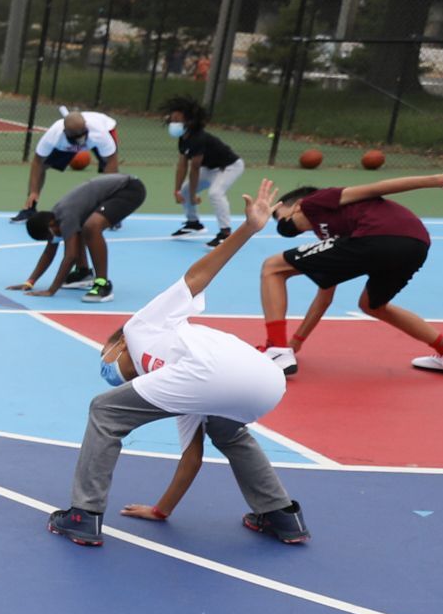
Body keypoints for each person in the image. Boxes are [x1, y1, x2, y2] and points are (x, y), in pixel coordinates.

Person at [48, 181, 307, 548]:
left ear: (118, 343)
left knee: (103, 411)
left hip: (232, 372)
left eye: (108, 358)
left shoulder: (141, 326)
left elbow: (197, 277)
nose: (113, 370)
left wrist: (247, 229)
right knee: (229, 432)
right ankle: (281, 515)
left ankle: (83, 515)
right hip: (262, 381)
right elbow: (192, 456)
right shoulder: (174, 381)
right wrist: (161, 510)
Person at [261, 168, 443, 377]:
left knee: (273, 267)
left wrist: (442, 179)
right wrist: (298, 341)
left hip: (380, 235)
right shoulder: (334, 234)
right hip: (415, 245)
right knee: (373, 305)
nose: (281, 224)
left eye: (280, 215)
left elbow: (379, 188)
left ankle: (276, 348)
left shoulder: (316, 202)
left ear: (298, 205)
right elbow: (325, 294)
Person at [10, 171, 149, 301]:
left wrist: (51, 290)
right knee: (79, 230)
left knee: (92, 226)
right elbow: (48, 252)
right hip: (114, 191)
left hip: (129, 189)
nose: (51, 241)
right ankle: (83, 273)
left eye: (48, 237)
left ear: (52, 225)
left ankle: (102, 284)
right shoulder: (54, 219)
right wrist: (30, 282)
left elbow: (71, 256)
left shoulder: (66, 216)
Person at [17, 104, 118, 219]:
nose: (80, 140)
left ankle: (110, 211)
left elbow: (111, 161)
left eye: (82, 136)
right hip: (67, 145)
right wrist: (34, 192)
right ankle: (30, 208)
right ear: (65, 132)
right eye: (76, 137)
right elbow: (37, 162)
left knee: (108, 169)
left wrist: (109, 199)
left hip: (101, 134)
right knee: (43, 166)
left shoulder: (100, 133)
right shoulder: (53, 136)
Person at [161, 97, 243, 238]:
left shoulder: (198, 138)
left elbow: (194, 168)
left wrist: (193, 196)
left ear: (189, 121)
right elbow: (182, 165)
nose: (173, 123)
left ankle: (225, 232)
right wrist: (177, 190)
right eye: (172, 120)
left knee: (215, 193)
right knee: (185, 191)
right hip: (210, 168)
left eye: (177, 120)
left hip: (229, 167)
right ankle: (193, 224)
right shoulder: (183, 138)